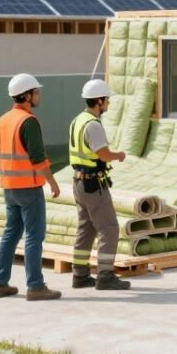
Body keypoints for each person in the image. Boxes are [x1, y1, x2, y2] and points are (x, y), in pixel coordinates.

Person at [0, 73, 63, 302]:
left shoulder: (3, 119)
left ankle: (0, 283)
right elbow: (38, 157)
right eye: (36, 92)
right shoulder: (28, 121)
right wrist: (52, 182)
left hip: (9, 187)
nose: (39, 95)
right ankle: (35, 286)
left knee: (10, 233)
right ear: (27, 95)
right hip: (29, 188)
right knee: (34, 236)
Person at [68, 79, 131, 291]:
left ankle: (80, 275)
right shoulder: (93, 125)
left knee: (86, 228)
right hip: (93, 184)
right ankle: (105, 275)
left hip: (78, 182)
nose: (108, 104)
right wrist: (119, 155)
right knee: (109, 228)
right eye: (107, 100)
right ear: (99, 101)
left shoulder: (78, 120)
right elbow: (102, 153)